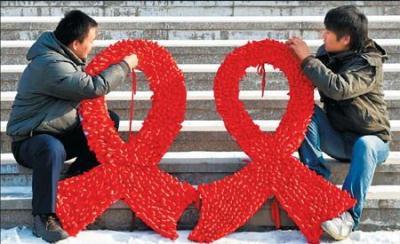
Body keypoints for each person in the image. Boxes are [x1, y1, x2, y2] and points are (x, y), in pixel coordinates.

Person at [6, 10, 138, 243]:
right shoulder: (50, 64)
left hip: (58, 133)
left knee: (108, 121)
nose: (91, 46)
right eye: (90, 41)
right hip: (30, 140)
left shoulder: (65, 59)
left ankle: (75, 181)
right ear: (76, 43)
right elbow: (92, 87)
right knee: (51, 147)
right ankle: (44, 216)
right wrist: (125, 66)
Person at [286, 5, 391, 241]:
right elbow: (311, 75)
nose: (323, 36)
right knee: (305, 110)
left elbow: (339, 88)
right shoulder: (329, 53)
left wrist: (307, 59)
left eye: (328, 32)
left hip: (372, 141)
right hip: (339, 138)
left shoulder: (368, 63)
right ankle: (317, 186)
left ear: (345, 39)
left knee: (365, 144)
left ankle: (347, 217)